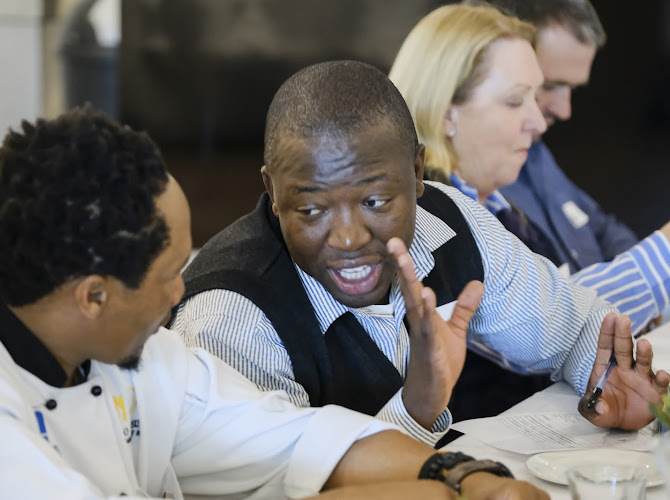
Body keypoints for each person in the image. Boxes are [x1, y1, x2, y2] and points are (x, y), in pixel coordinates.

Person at [0, 107, 549, 500]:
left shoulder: (132, 350)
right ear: (93, 296)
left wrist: (461, 475)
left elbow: (292, 439)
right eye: (170, 276)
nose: (182, 292)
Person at [173, 60, 669, 443]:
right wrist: (415, 410)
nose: (347, 239)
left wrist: (606, 381)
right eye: (310, 211)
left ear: (417, 173)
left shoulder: (450, 222)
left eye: (374, 201)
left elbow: (572, 329)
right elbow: (291, 485)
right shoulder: (231, 318)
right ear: (272, 191)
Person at [389, 3, 670, 337]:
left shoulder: (498, 205)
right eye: (515, 100)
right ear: (446, 111)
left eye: (536, 95)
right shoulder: (429, 220)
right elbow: (538, 328)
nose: (539, 121)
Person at [474, 0, 644, 276]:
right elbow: (549, 308)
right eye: (548, 86)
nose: (564, 111)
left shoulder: (536, 153)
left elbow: (602, 229)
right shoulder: (472, 191)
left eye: (572, 90)